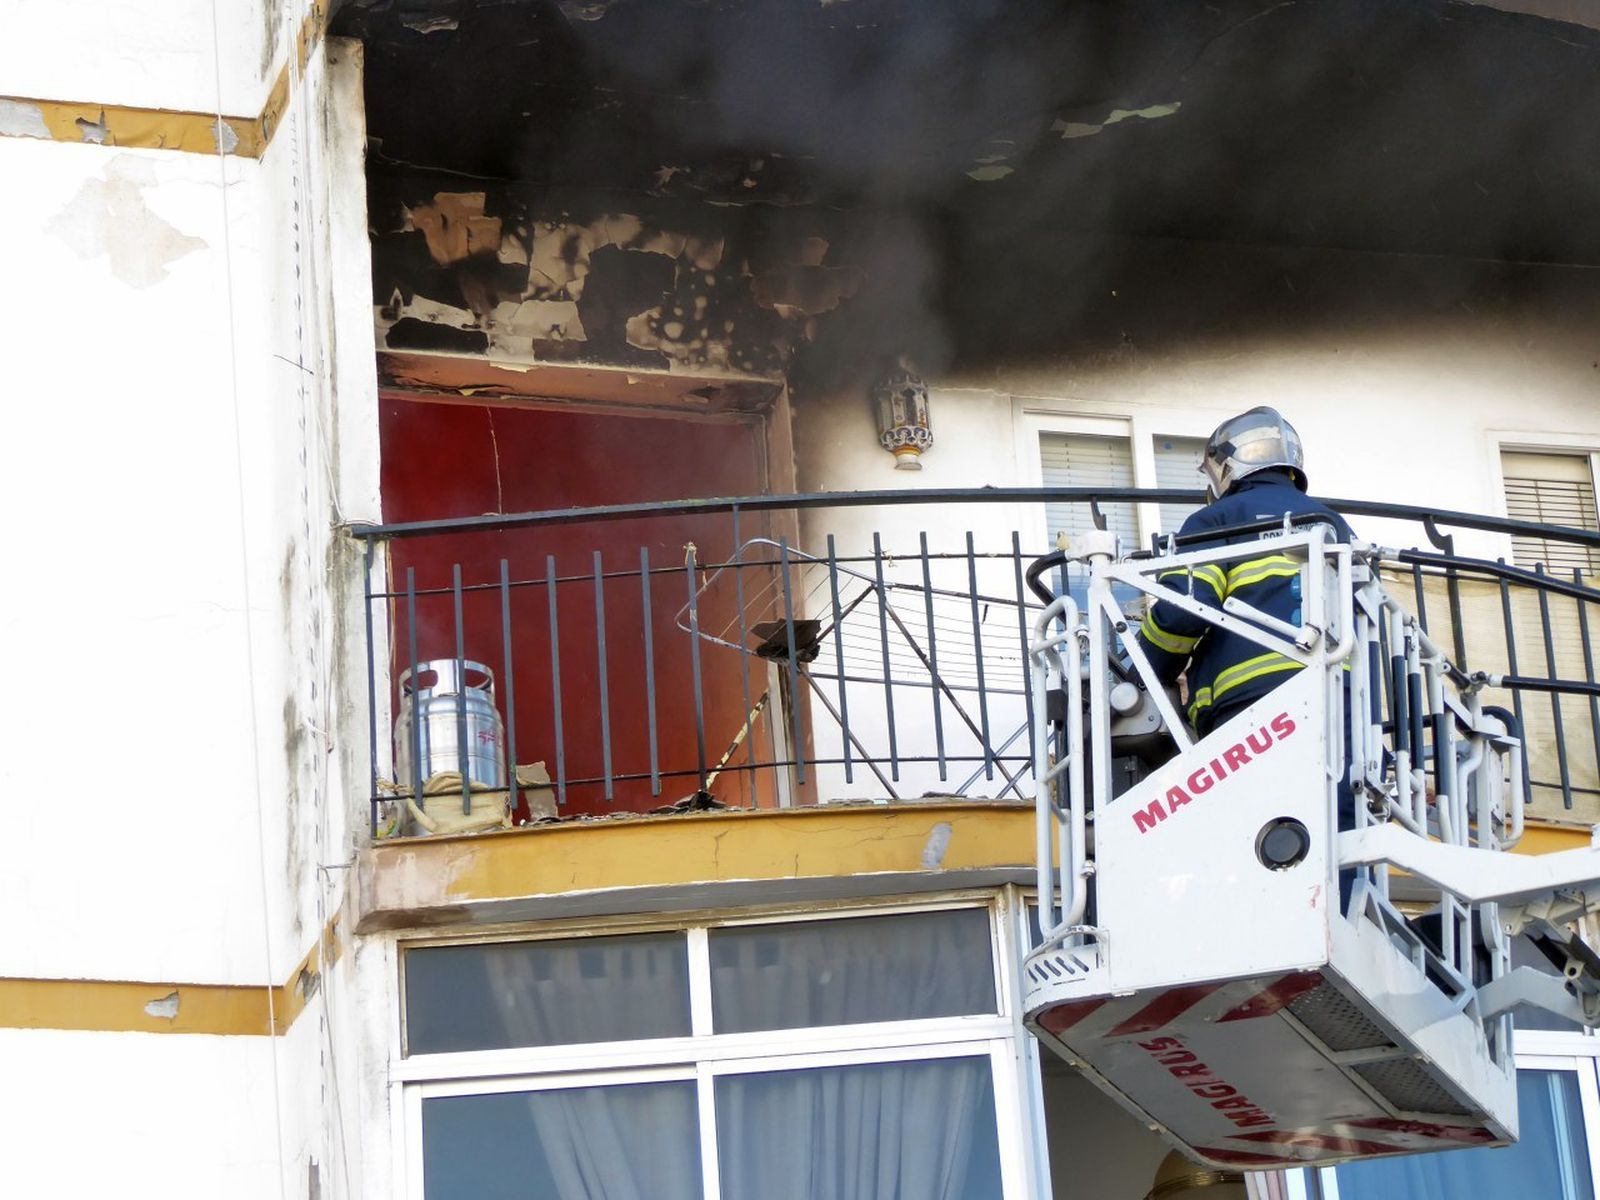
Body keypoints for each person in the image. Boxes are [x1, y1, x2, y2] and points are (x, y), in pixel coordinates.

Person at [1137, 406, 1354, 739]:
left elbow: (1184, 610)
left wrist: (1142, 671)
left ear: (1227, 467)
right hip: (1343, 702)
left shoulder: (1219, 518)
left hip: (1251, 707)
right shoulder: (1335, 524)